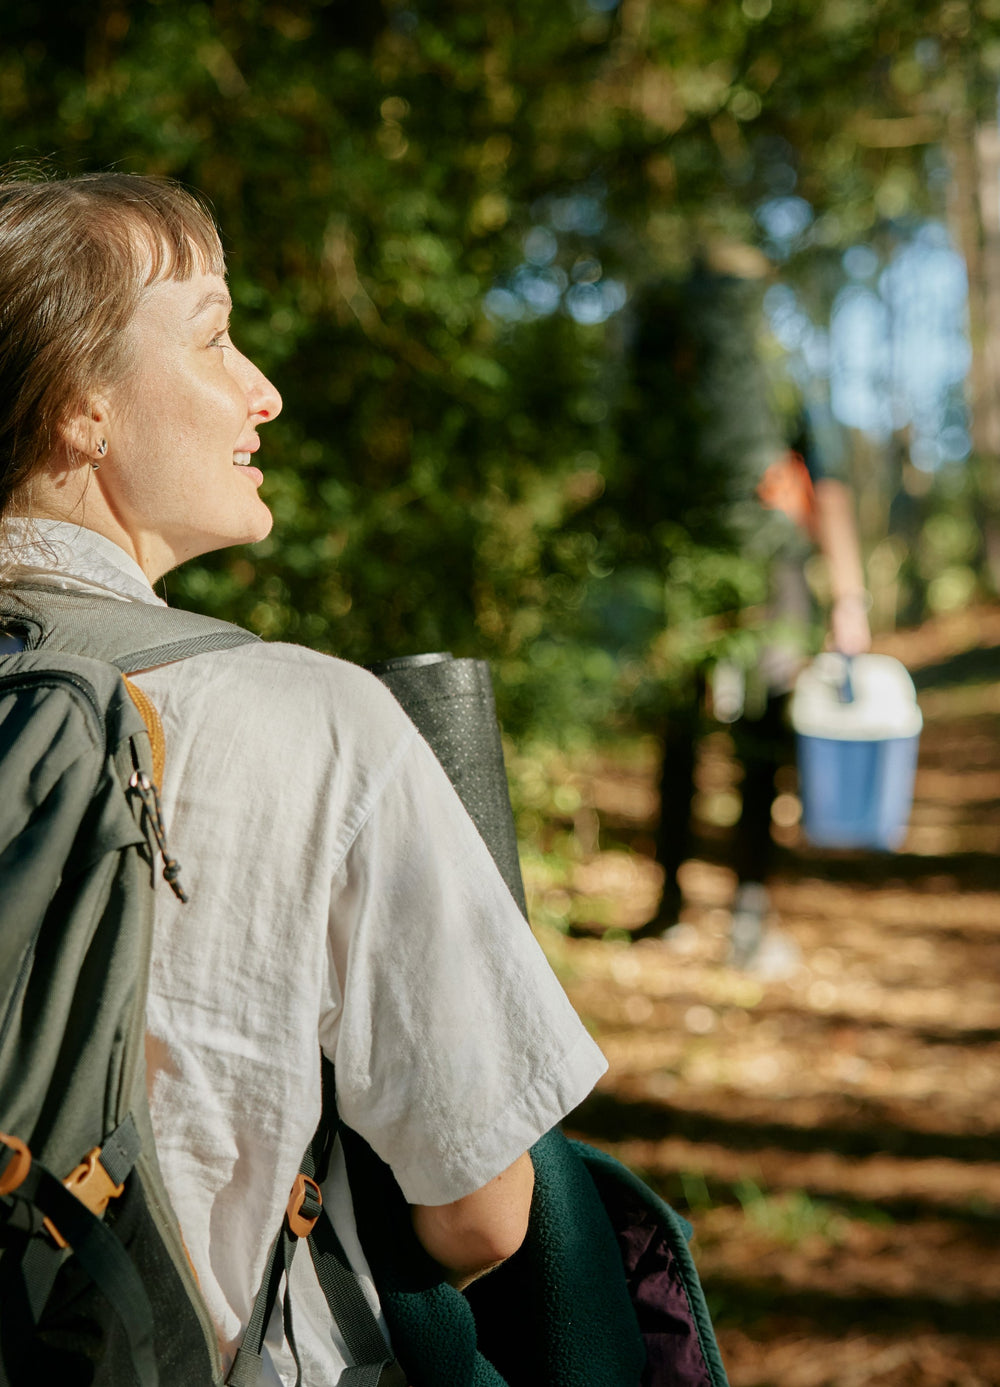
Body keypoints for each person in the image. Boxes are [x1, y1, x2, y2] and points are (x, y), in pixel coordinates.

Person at [0, 172, 607, 1383]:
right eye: (216, 335)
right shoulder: (308, 719)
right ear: (81, 410)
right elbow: (483, 1211)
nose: (261, 390)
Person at [624, 254, 871, 964]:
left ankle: (669, 905)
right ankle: (750, 921)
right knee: (762, 737)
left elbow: (633, 465)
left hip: (684, 564)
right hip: (771, 568)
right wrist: (848, 596)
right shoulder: (773, 362)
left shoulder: (666, 355)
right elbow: (827, 483)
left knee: (680, 734)